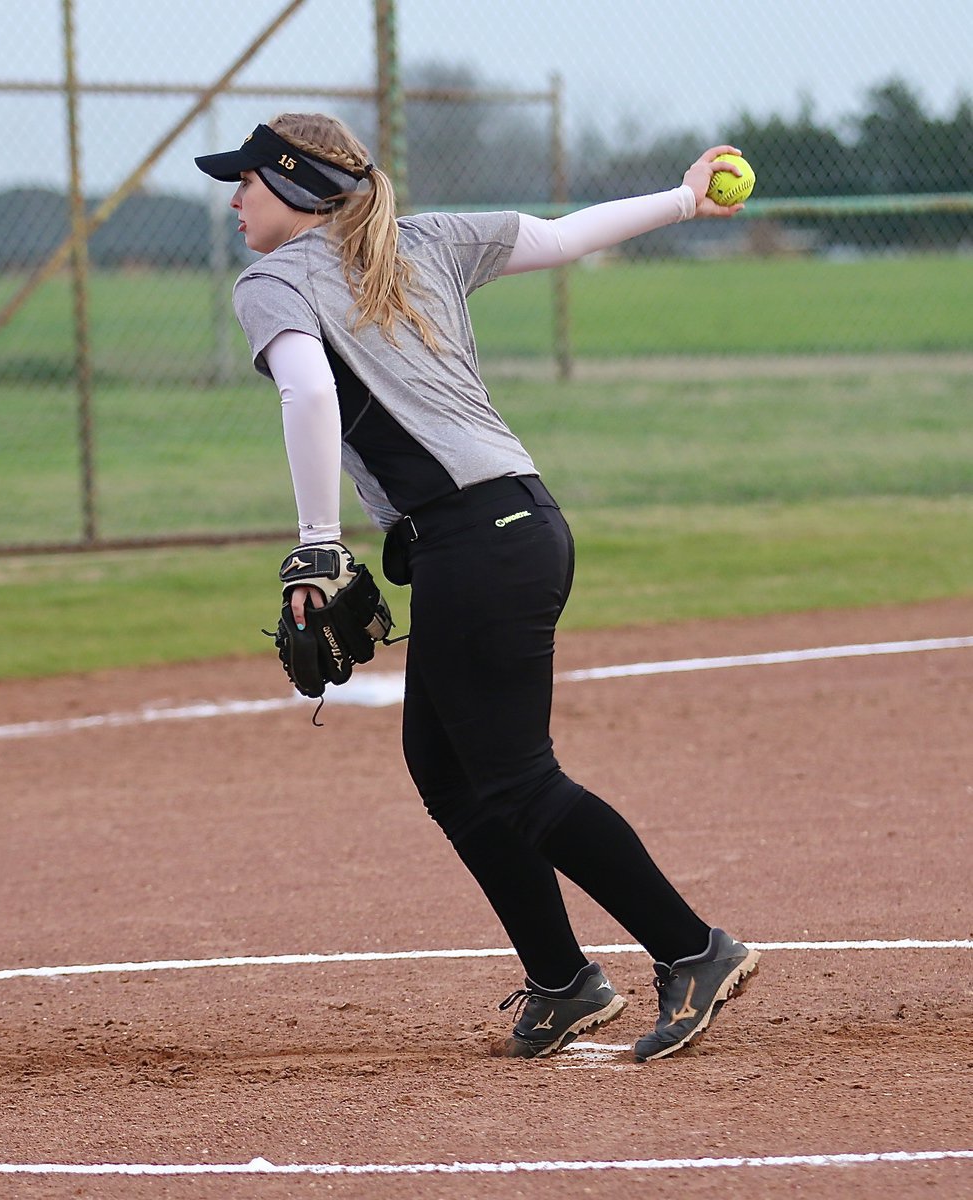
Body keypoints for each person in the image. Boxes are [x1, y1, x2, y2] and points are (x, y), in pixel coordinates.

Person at [195, 113, 760, 1062]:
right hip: (516, 528)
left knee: (516, 778)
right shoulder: (431, 238)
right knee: (450, 772)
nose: (234, 197)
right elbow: (566, 234)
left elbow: (311, 394)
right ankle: (563, 979)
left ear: (294, 190)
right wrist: (680, 200)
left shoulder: (273, 279)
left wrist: (317, 548)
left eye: (245, 180)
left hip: (479, 540)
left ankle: (693, 949)